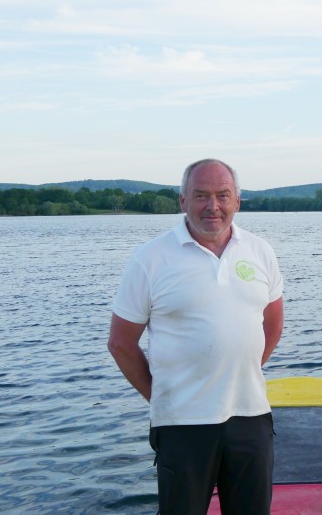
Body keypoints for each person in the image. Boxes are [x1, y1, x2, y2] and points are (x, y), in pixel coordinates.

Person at [108, 158, 284, 515]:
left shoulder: (260, 251)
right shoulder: (151, 259)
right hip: (182, 422)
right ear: (182, 201)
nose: (213, 206)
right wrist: (161, 396)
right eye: (201, 195)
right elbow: (121, 343)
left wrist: (236, 369)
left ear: (237, 200)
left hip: (250, 415)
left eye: (223, 195)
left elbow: (273, 324)